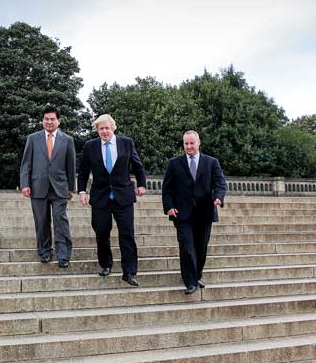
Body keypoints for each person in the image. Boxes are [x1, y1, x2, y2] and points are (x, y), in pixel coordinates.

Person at [77, 114, 147, 286]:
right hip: (100, 197)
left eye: (107, 128)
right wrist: (81, 191)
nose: (105, 131)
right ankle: (106, 264)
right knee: (101, 233)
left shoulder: (126, 143)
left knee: (127, 234)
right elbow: (84, 170)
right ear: (97, 130)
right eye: (101, 128)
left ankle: (129, 272)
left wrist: (142, 184)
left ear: (113, 127)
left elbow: (137, 165)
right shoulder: (90, 146)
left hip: (123, 196)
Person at [162, 130, 226, 295]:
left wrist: (218, 197)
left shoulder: (211, 162)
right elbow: (167, 189)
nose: (189, 146)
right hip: (181, 213)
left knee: (200, 248)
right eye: (186, 143)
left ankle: (197, 276)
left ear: (198, 143)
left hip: (205, 212)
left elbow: (220, 183)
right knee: (187, 247)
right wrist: (169, 207)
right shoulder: (174, 163)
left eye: (192, 143)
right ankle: (190, 282)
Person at [20, 105, 77, 268]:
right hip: (38, 187)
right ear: (42, 121)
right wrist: (25, 184)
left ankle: (63, 255)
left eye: (52, 119)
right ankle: (44, 252)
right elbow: (26, 164)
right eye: (46, 119)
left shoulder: (67, 140)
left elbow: (71, 166)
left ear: (58, 121)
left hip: (60, 187)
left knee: (61, 221)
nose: (49, 122)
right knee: (41, 221)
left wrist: (71, 187)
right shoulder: (33, 138)